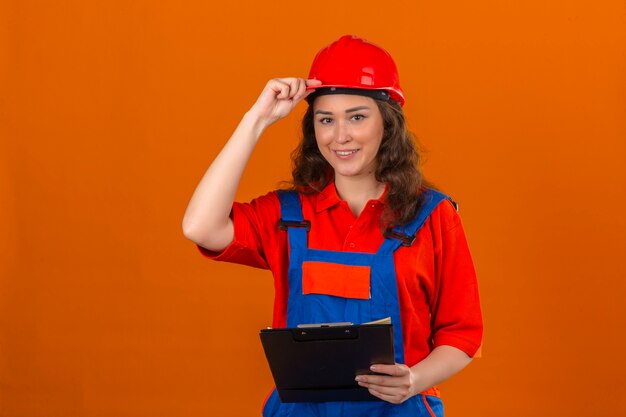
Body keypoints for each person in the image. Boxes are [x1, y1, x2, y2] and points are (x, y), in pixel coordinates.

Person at [183, 35, 483, 417]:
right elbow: (199, 226)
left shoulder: (432, 216)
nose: (339, 136)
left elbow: (463, 334)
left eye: (357, 117)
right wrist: (255, 120)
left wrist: (414, 380)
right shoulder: (289, 216)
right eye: (326, 120)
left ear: (387, 124)